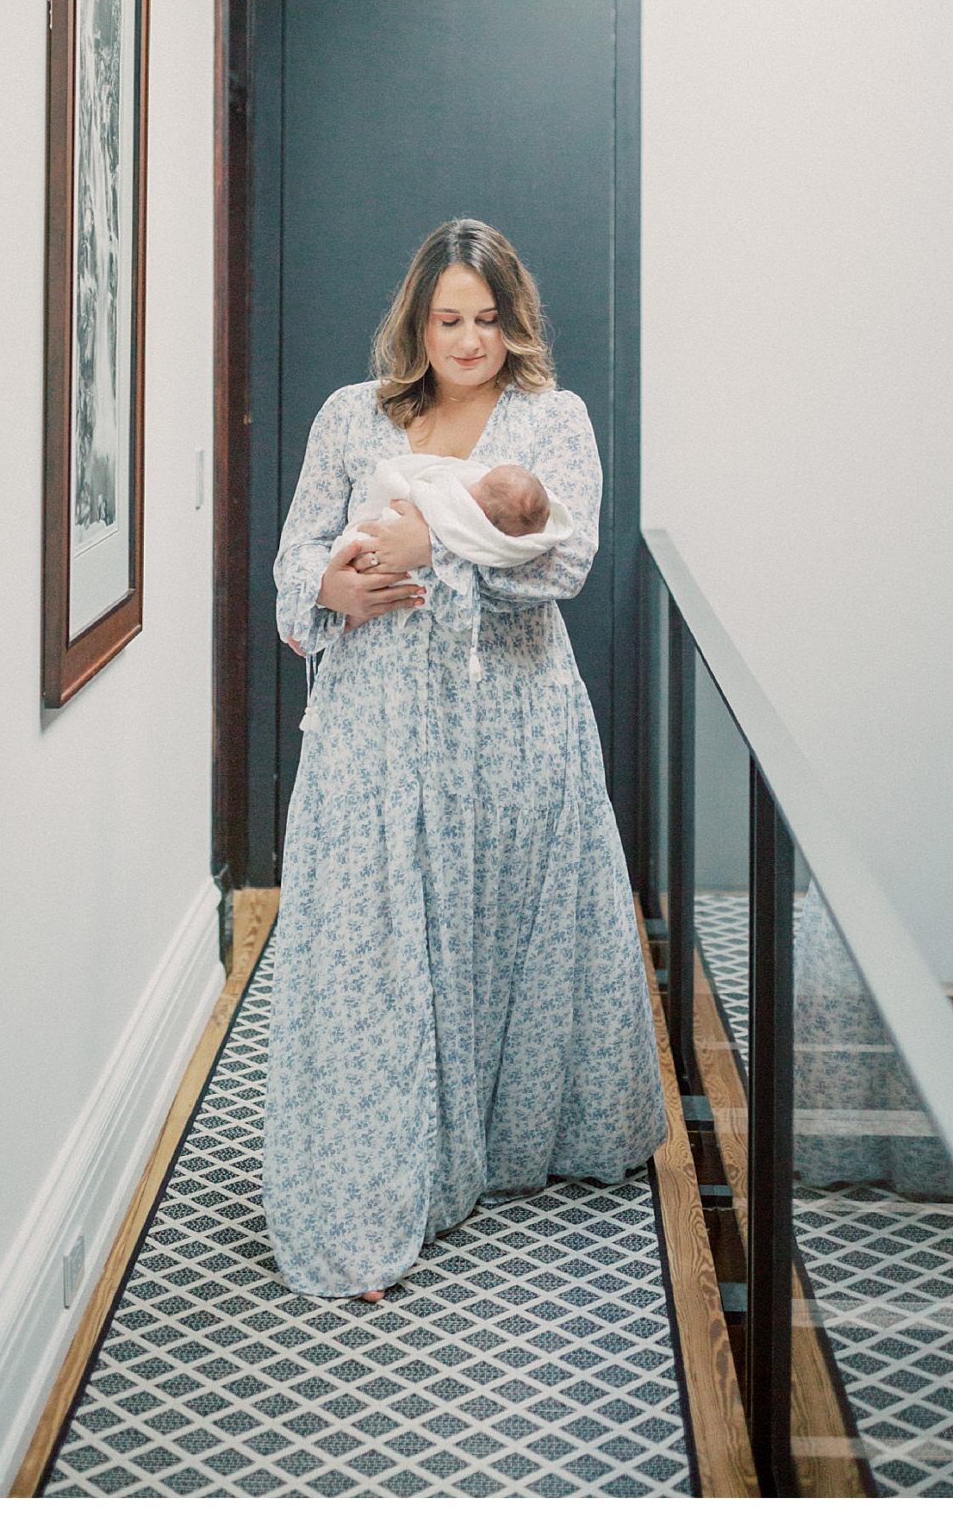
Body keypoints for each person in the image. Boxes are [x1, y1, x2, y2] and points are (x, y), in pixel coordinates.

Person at [262, 217, 666, 1302]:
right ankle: (367, 1190)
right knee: (373, 948)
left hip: (509, 726)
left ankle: (504, 1137)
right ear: (418, 320)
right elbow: (296, 551)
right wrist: (333, 588)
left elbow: (567, 557)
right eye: (449, 318)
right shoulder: (356, 417)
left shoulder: (552, 420)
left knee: (496, 930)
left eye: (487, 319)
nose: (469, 338)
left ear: (512, 319)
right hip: (374, 730)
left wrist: (435, 542)